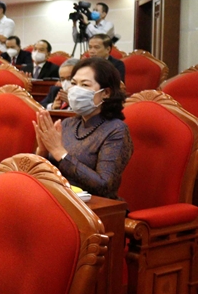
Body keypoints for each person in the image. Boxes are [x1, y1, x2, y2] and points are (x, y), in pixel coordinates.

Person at [33, 57, 133, 199]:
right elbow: (45, 175)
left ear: (106, 93)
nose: (76, 90)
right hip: (58, 199)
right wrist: (42, 151)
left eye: (85, 85)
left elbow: (104, 185)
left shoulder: (116, 130)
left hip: (96, 207)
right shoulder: (67, 124)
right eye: (74, 83)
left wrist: (59, 152)